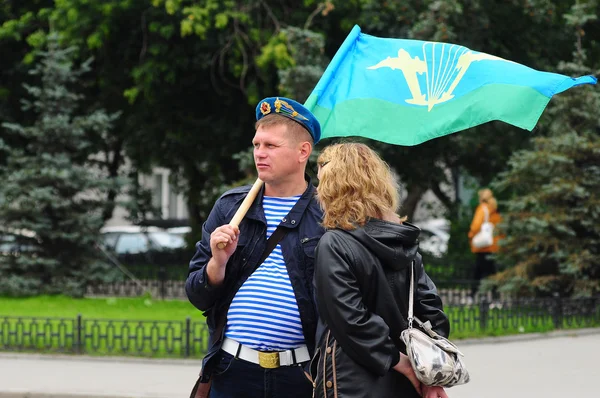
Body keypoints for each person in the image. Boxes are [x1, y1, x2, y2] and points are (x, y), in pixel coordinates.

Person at [186, 97, 326, 398]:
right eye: (256, 145)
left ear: (303, 151)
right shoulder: (230, 208)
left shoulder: (327, 214)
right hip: (232, 371)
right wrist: (218, 263)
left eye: (271, 146)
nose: (259, 154)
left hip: (302, 375)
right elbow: (197, 294)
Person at [311, 143, 451, 398]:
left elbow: (351, 320)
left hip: (353, 382)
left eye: (321, 183)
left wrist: (401, 363)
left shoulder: (334, 243)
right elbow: (432, 313)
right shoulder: (403, 243)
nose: (318, 191)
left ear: (335, 186)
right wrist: (429, 376)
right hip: (409, 386)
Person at [467, 188, 502, 301]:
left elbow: (475, 226)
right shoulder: (495, 209)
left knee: (478, 272)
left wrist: (471, 234)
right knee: (491, 272)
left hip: (483, 247)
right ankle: (495, 299)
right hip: (493, 246)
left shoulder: (482, 209)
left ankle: (472, 296)